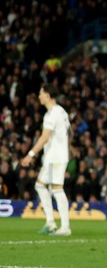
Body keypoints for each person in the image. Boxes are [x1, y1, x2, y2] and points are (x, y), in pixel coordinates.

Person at [20, 83, 72, 236]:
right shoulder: (60, 112)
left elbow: (45, 136)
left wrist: (30, 154)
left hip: (56, 157)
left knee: (57, 188)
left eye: (41, 93)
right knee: (41, 186)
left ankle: (65, 227)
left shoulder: (53, 113)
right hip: (54, 156)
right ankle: (50, 222)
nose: (39, 96)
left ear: (48, 95)